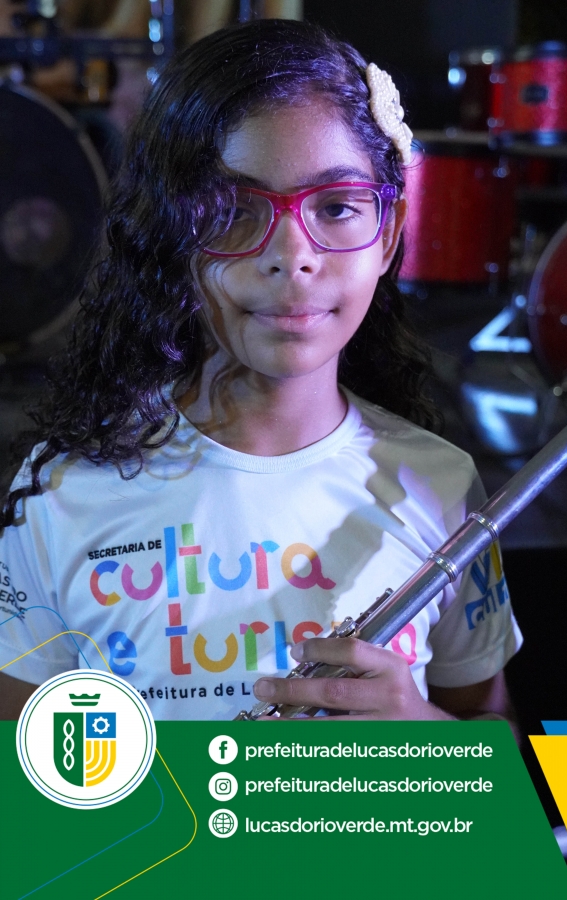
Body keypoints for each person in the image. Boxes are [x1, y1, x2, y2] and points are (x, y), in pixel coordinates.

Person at [0, 19, 522, 723]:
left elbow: (500, 756)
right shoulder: (64, 492)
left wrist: (422, 738)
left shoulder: (442, 487)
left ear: (390, 233)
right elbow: (21, 777)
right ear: (171, 233)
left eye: (336, 207)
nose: (292, 256)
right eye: (234, 211)